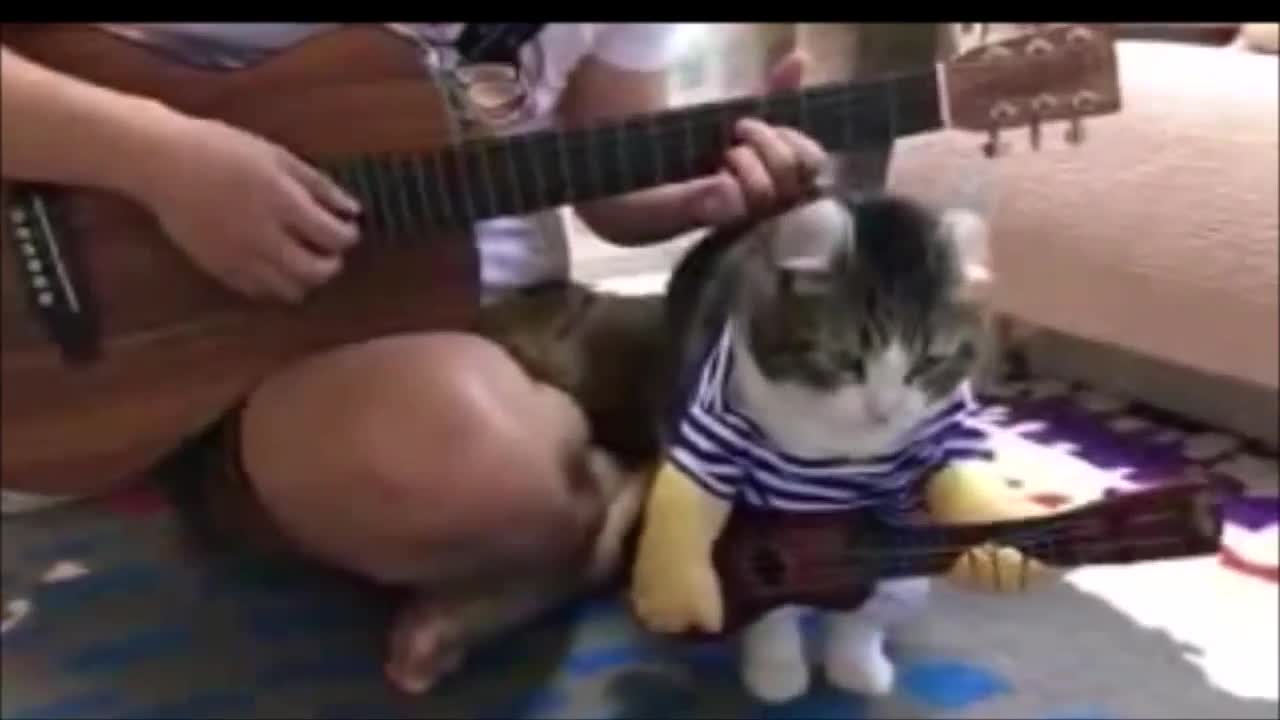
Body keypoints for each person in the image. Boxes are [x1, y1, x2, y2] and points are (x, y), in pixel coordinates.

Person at [1, 23, 830, 691]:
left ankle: (586, 524)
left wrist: (702, 195)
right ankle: (605, 507)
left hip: (527, 314)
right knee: (463, 462)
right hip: (284, 365)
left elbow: (612, 188)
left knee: (860, 390)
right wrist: (158, 159)